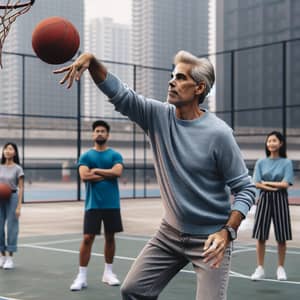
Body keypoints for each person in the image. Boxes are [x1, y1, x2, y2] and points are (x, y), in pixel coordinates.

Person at [54, 50, 256, 300]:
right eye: (172, 76)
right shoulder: (157, 116)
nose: (172, 81)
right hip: (170, 233)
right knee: (133, 290)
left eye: (180, 77)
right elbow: (121, 94)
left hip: (210, 238)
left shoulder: (219, 134)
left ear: (199, 88)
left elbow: (246, 189)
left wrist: (227, 231)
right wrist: (93, 62)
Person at [69, 120, 124, 291]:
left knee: (110, 237)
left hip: (112, 204)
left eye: (103, 131)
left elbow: (118, 172)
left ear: (107, 135)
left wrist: (96, 171)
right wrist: (107, 174)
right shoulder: (86, 156)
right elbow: (84, 176)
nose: (99, 133)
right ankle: (82, 276)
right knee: (87, 238)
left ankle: (108, 273)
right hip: (92, 205)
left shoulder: (115, 155)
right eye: (97, 131)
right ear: (93, 134)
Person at [251, 131, 294, 281]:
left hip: (281, 200)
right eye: (269, 141)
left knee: (281, 236)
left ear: (281, 143)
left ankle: (281, 268)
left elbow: (285, 184)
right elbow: (256, 183)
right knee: (260, 236)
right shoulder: (261, 162)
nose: (271, 143)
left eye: (274, 141)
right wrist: (273, 186)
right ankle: (260, 268)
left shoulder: (287, 162)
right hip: (264, 199)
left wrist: (266, 183)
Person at [0, 142, 24, 270]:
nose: (7, 151)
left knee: (12, 229)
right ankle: (2, 256)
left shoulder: (18, 169)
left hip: (12, 198)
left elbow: (21, 187)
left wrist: (19, 206)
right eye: (5, 149)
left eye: (10, 149)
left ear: (14, 152)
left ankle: (10, 258)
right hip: (0, 199)